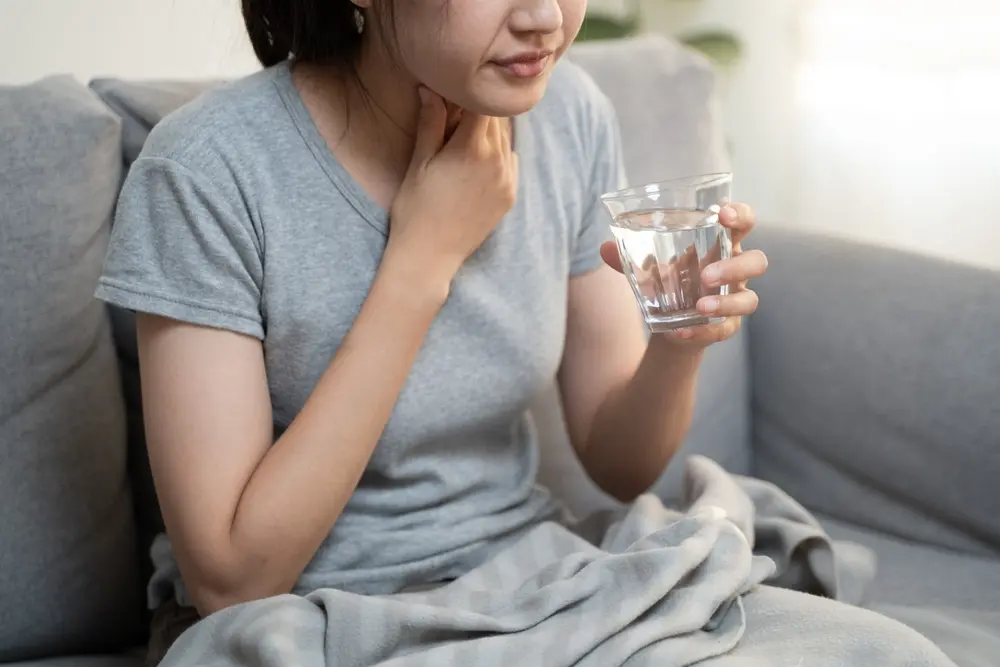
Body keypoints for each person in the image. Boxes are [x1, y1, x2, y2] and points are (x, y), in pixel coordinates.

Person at [94, 1, 954, 666]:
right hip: (319, 616)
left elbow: (618, 460)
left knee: (890, 654)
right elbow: (234, 578)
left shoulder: (568, 114)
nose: (546, 17)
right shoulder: (206, 171)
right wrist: (421, 261)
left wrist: (678, 341)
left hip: (529, 572)